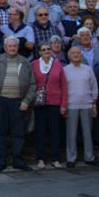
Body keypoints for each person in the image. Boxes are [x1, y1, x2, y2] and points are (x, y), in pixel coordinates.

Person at [0, 37, 36, 172]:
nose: (12, 48)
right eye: (9, 46)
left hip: (18, 102)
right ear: (5, 47)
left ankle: (18, 160)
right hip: (1, 101)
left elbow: (33, 84)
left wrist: (27, 101)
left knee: (18, 133)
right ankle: (1, 161)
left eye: (14, 46)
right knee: (0, 133)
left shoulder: (25, 62)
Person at [31, 41, 67, 169]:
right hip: (40, 103)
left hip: (55, 102)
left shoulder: (57, 65)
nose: (46, 51)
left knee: (55, 131)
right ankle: (41, 158)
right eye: (44, 49)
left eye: (48, 49)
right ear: (40, 52)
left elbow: (63, 85)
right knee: (40, 131)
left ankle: (55, 158)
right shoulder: (34, 65)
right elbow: (31, 83)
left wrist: (64, 104)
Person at [64, 46, 98, 167]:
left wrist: (94, 104)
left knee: (88, 132)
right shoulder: (65, 70)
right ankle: (71, 158)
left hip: (87, 104)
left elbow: (94, 87)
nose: (76, 55)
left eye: (78, 53)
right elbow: (63, 89)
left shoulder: (88, 69)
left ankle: (89, 156)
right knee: (71, 133)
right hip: (71, 105)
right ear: (69, 55)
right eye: (73, 53)